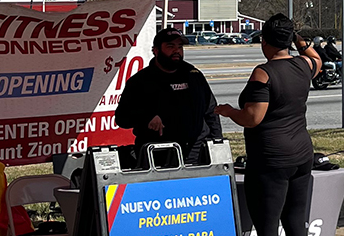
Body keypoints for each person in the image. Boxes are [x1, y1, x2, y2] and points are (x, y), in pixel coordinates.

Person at [217, 14, 321, 236]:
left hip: (270, 160)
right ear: (289, 40)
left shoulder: (263, 73)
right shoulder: (304, 64)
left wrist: (229, 112)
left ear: (264, 41)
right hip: (302, 154)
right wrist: (299, 40)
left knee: (267, 227)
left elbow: (252, 118)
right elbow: (317, 60)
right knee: (296, 222)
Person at [115, 27, 221, 165]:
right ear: (156, 51)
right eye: (170, 46)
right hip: (158, 155)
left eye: (180, 46)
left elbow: (211, 110)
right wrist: (147, 117)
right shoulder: (140, 81)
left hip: (196, 151)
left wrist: (217, 142)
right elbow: (122, 118)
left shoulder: (194, 75)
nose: (176, 51)